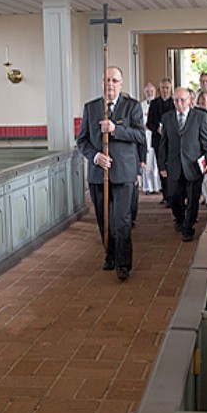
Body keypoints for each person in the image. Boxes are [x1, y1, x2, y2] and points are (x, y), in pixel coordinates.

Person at [76, 66, 145, 280]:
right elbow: (82, 141)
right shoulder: (91, 107)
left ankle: (123, 263)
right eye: (107, 80)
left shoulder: (132, 107)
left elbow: (140, 136)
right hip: (99, 174)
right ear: (101, 82)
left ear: (121, 84)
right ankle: (110, 254)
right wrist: (96, 157)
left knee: (122, 220)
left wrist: (115, 129)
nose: (110, 84)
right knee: (104, 219)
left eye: (115, 80)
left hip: (123, 173)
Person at [157, 87, 207, 242]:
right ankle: (180, 219)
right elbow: (163, 144)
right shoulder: (167, 118)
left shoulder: (200, 116)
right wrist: (162, 166)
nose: (179, 103)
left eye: (182, 100)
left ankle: (188, 228)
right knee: (173, 197)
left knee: (193, 199)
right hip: (174, 165)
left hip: (193, 164)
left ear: (190, 100)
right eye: (175, 100)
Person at [146, 77, 175, 182]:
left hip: (172, 141)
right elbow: (149, 123)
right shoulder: (154, 103)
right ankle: (165, 194)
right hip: (158, 140)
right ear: (159, 89)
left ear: (171, 89)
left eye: (167, 88)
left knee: (172, 168)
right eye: (163, 88)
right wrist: (157, 129)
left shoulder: (174, 103)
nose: (165, 90)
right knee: (161, 168)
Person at [139, 82, 161, 195]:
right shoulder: (140, 106)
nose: (149, 93)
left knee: (156, 163)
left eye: (151, 91)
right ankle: (147, 187)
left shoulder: (158, 104)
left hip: (155, 135)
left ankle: (156, 186)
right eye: (147, 91)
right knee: (146, 162)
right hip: (145, 136)